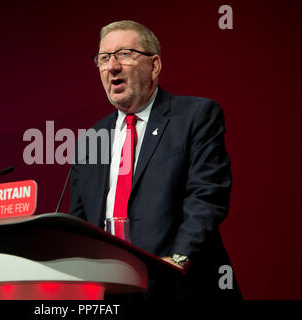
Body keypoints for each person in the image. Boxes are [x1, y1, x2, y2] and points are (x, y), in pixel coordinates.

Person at [68, 20, 242, 299]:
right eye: (104, 58)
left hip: (181, 287)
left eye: (124, 54)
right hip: (115, 292)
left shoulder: (195, 116)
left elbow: (207, 196)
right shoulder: (92, 138)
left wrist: (179, 259)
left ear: (155, 65)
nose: (112, 66)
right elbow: (79, 224)